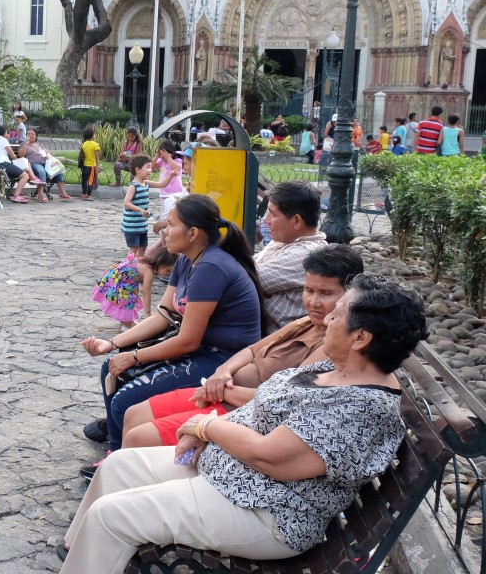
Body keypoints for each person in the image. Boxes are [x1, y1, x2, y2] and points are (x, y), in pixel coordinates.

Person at [48, 274, 428, 574]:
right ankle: (82, 569)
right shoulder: (338, 367)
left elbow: (272, 457)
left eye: (337, 314)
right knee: (118, 466)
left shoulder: (361, 407)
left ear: (361, 337)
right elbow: (265, 409)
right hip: (235, 479)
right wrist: (209, 431)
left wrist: (206, 428)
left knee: (112, 515)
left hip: (267, 512)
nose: (326, 319)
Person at [122, 244, 363, 449]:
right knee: (134, 414)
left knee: (139, 437)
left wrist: (221, 391)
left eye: (325, 293)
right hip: (222, 392)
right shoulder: (306, 322)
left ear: (349, 296)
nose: (313, 301)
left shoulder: (331, 345)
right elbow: (252, 350)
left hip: (244, 412)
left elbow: (282, 400)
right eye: (309, 290)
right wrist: (223, 372)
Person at [80, 194, 263, 449]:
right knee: (110, 367)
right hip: (200, 351)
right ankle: (116, 444)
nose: (164, 231)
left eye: (171, 224)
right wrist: (112, 344)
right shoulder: (187, 260)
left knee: (125, 399)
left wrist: (134, 357)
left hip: (222, 360)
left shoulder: (211, 267)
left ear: (193, 233)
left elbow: (187, 341)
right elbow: (163, 316)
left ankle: (119, 456)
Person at [255, 181, 328, 331]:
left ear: (296, 221)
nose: (266, 220)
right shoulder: (283, 242)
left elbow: (242, 279)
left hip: (280, 341)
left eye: (272, 214)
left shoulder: (307, 254)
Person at [93, 250, 177, 331]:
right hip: (119, 280)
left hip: (117, 276)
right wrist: (148, 314)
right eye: (168, 270)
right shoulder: (149, 272)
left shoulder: (145, 261)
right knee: (128, 300)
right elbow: (146, 293)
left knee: (130, 296)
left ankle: (126, 320)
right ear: (160, 264)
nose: (168, 274)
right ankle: (127, 326)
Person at [0, 125, 41, 203]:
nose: (8, 134)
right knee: (25, 176)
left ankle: (34, 178)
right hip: (3, 164)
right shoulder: (3, 140)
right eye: (7, 132)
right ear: (4, 132)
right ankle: (16, 196)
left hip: (0, 165)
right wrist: (18, 162)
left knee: (26, 163)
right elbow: (13, 155)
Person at [20, 130, 73, 200]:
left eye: (32, 134)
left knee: (58, 172)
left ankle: (63, 193)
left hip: (46, 163)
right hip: (33, 164)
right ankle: (41, 194)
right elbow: (21, 155)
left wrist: (47, 155)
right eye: (28, 134)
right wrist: (26, 144)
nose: (30, 135)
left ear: (36, 136)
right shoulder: (24, 145)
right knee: (41, 172)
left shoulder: (39, 145)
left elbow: (47, 152)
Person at [151, 140, 185, 215]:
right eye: (160, 153)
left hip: (175, 192)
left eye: (163, 153)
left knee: (173, 212)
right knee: (165, 212)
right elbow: (151, 167)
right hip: (164, 191)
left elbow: (177, 169)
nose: (161, 156)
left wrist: (168, 158)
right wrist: (156, 156)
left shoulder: (177, 160)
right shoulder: (161, 161)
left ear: (171, 153)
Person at [79, 128, 101, 200]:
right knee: (90, 181)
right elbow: (96, 157)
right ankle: (87, 195)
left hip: (85, 165)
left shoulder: (84, 144)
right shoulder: (95, 145)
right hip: (91, 166)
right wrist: (97, 166)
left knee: (84, 180)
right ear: (92, 136)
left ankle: (83, 193)